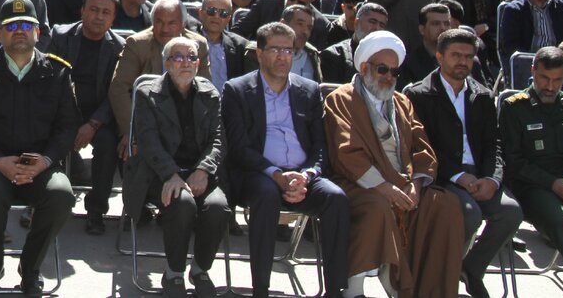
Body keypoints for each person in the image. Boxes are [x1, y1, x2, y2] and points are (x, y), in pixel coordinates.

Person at [322, 30, 464, 298]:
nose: (389, 77)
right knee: (376, 206)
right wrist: (385, 187)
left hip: (404, 184)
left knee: (445, 205)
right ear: (364, 67)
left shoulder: (402, 102)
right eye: (383, 69)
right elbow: (346, 153)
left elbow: (422, 147)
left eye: (394, 72)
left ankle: (432, 290)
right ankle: (357, 288)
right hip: (359, 182)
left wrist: (417, 186)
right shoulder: (341, 98)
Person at [0, 0, 80, 297]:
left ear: (38, 32)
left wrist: (46, 161)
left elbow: (67, 127)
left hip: (39, 165)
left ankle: (31, 267)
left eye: (27, 25)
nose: (20, 31)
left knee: (61, 194)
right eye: (11, 26)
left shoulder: (58, 71)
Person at [221, 21, 350, 298]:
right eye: (275, 50)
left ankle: (336, 289)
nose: (283, 57)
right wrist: (276, 174)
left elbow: (319, 146)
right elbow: (239, 148)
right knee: (267, 195)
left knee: (336, 197)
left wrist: (308, 175)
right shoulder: (237, 90)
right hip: (258, 176)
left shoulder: (310, 90)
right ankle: (261, 289)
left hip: (303, 177)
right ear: (259, 53)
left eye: (289, 51)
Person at [404, 28, 522, 298]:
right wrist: (458, 176)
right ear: (439, 56)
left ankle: (470, 268)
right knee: (469, 213)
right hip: (443, 175)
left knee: (511, 212)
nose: (463, 62)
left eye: (469, 57)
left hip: (480, 175)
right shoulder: (419, 94)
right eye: (456, 55)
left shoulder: (482, 95)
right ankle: (441, 277)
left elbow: (495, 144)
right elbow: (420, 147)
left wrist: (492, 179)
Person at [122, 36, 228, 298]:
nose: (186, 63)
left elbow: (218, 139)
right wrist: (171, 174)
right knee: (182, 204)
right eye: (178, 57)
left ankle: (200, 269)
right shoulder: (148, 93)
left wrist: (203, 170)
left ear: (199, 63)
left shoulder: (209, 93)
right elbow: (148, 142)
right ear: (166, 63)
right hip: (157, 171)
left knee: (217, 207)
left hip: (198, 171)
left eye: (191, 57)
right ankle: (174, 273)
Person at [41, 0, 125, 234]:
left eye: (106, 12)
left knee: (108, 144)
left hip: (99, 116)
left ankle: (96, 210)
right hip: (62, 111)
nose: (99, 17)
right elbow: (48, 80)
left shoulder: (120, 47)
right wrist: (69, 122)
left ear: (113, 18)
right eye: (94, 10)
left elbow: (116, 94)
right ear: (82, 11)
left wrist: (93, 124)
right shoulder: (61, 36)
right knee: (38, 133)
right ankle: (38, 203)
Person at [500, 47, 563, 276]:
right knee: (561, 223)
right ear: (533, 70)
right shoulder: (515, 107)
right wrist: (554, 183)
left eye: (557, 80)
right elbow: (513, 162)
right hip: (533, 187)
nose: (551, 87)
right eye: (544, 78)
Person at [108, 0, 211, 157]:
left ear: (183, 25)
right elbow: (119, 88)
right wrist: (131, 130)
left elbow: (205, 89)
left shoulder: (198, 45)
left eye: (172, 23)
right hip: (147, 118)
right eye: (159, 22)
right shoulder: (137, 44)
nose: (165, 29)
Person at [321, 2, 389, 85]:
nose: (377, 28)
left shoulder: (388, 60)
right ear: (356, 23)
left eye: (381, 25)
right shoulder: (334, 55)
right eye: (372, 22)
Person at [198, 0, 247, 90]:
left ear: (229, 19)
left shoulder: (240, 46)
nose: (216, 16)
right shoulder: (188, 40)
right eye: (211, 11)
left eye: (223, 13)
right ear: (201, 13)